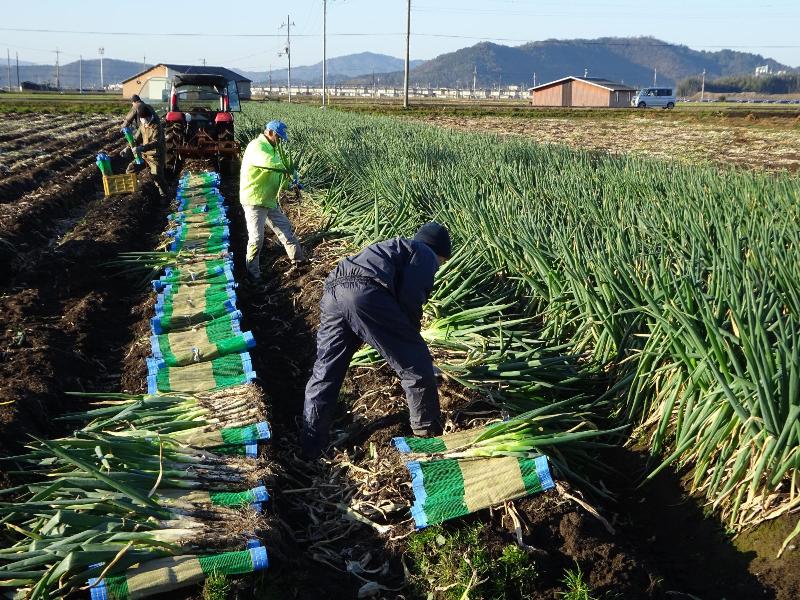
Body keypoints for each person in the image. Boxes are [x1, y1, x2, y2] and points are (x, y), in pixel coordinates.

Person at [301, 222, 452, 459]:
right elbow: (411, 298)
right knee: (417, 364)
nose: (440, 266)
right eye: (443, 262)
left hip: (333, 290)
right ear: (439, 252)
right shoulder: (425, 252)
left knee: (326, 370)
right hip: (365, 292)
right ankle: (427, 438)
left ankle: (311, 447)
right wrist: (410, 342)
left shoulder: (394, 247)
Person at [239, 120, 306, 283]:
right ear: (270, 133)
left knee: (285, 229)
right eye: (279, 137)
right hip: (254, 200)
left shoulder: (275, 150)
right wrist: (288, 166)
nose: (281, 141)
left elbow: (278, 174)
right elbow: (268, 164)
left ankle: (299, 263)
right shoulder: (257, 147)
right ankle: (253, 274)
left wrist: (292, 182)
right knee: (256, 239)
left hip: (269, 200)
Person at [120, 97, 168, 197]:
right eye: (141, 119)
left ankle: (165, 196)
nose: (144, 121)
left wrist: (141, 148)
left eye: (145, 119)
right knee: (131, 168)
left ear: (150, 117)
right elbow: (136, 139)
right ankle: (130, 191)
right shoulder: (142, 125)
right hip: (144, 155)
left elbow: (156, 142)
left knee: (157, 177)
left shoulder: (156, 126)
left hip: (156, 156)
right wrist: (127, 148)